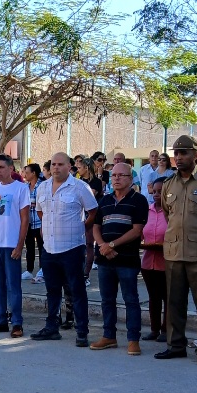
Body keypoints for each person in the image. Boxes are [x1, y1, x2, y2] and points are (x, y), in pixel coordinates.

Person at [155, 135, 197, 366]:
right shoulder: (168, 184)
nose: (179, 157)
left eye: (184, 153)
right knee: (174, 303)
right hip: (174, 252)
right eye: (176, 153)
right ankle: (176, 346)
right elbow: (168, 215)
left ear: (195, 155)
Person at [31, 152, 98, 345]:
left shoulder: (79, 187)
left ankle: (82, 331)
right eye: (53, 164)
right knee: (52, 290)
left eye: (60, 164)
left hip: (72, 248)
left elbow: (93, 211)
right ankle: (52, 327)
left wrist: (81, 227)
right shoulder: (43, 187)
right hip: (49, 248)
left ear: (70, 167)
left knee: (76, 290)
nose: (56, 168)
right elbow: (41, 212)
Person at [90, 163, 149, 354]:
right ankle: (109, 336)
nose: (116, 178)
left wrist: (112, 245)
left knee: (130, 299)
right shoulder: (105, 200)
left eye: (121, 175)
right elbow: (96, 226)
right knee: (107, 300)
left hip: (127, 260)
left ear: (130, 179)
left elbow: (137, 230)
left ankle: (133, 339)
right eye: (114, 175)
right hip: (105, 259)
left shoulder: (139, 200)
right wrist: (103, 246)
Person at [0, 155, 29, 337]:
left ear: (11, 169)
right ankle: (0, 319)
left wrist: (20, 245)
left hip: (11, 244)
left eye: (1, 167)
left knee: (13, 286)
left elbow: (25, 219)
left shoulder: (21, 188)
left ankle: (17, 323)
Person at [140, 177, 168, 342]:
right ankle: (154, 329)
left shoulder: (172, 213)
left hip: (167, 262)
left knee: (168, 297)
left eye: (161, 192)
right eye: (154, 191)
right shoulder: (147, 211)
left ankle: (166, 330)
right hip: (148, 261)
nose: (156, 195)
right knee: (153, 297)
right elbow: (140, 234)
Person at [21, 163, 45, 281]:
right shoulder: (25, 187)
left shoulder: (42, 186)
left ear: (34, 173)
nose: (25, 175)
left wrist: (33, 203)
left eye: (27, 172)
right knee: (29, 246)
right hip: (28, 221)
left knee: (41, 246)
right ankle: (29, 270)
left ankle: (42, 269)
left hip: (39, 221)